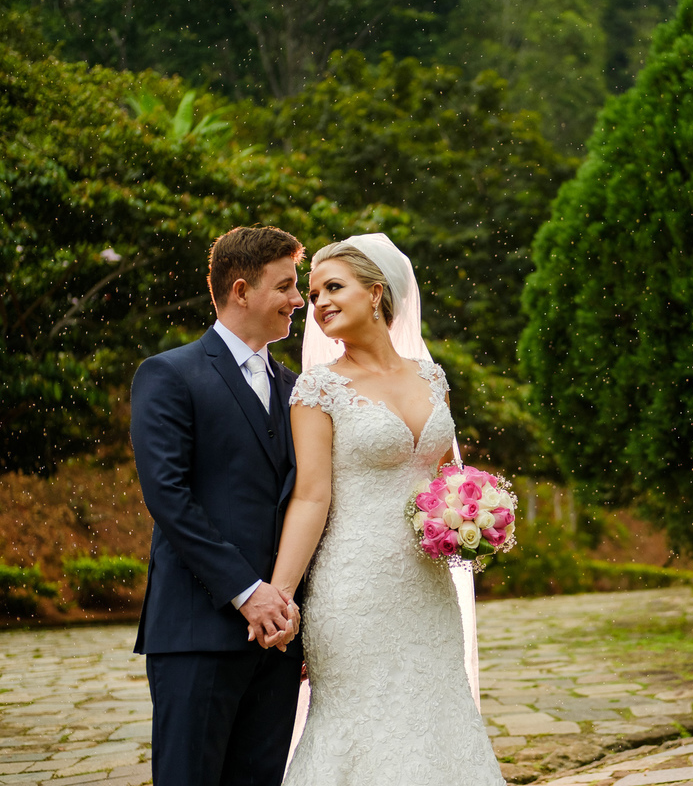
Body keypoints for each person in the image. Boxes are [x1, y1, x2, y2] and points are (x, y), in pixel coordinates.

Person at [266, 233, 504, 784]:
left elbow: (448, 477)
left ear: (376, 294)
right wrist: (279, 594)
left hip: (426, 586)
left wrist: (477, 516)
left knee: (436, 714)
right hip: (353, 589)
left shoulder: (432, 377)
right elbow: (310, 496)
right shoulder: (317, 389)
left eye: (333, 287)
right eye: (313, 291)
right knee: (360, 723)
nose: (318, 302)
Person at [129, 226, 307, 786]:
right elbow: (168, 496)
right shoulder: (169, 373)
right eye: (286, 286)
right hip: (197, 630)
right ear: (240, 290)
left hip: (277, 640)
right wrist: (246, 591)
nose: (298, 301)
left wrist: (285, 604)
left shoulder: (297, 389)